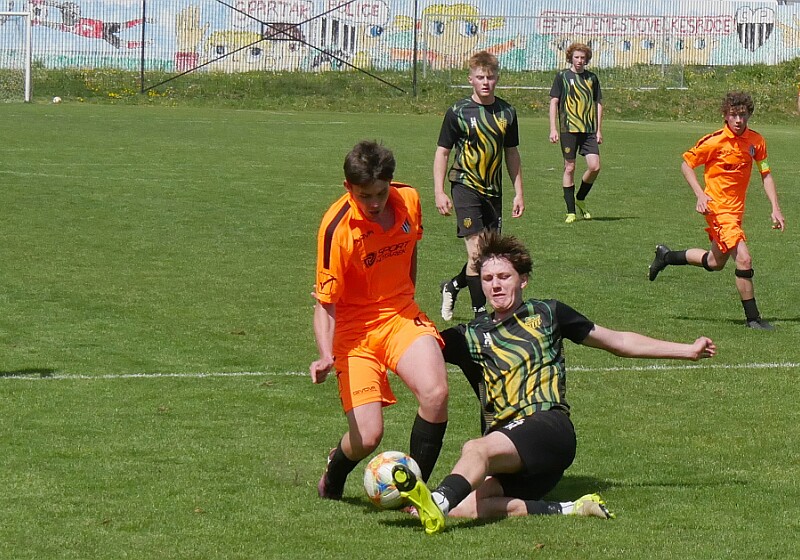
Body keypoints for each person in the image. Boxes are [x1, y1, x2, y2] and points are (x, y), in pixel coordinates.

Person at [390, 231, 716, 535]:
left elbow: (617, 341)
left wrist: (687, 350)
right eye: (488, 279)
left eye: (504, 277)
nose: (496, 286)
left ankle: (436, 501)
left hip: (548, 429)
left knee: (474, 450)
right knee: (466, 506)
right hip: (513, 458)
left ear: (523, 280)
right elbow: (411, 351)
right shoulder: (468, 336)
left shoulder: (548, 313)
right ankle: (571, 508)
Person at [311, 140, 449, 500]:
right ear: (348, 187)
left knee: (435, 394)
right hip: (354, 332)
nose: (374, 203)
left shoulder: (410, 199)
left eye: (381, 193)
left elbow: (411, 248)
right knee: (368, 437)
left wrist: (408, 296)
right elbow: (325, 302)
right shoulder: (336, 229)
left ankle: (415, 495)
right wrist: (325, 355)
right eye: (365, 196)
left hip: (400, 316)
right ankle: (334, 472)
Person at [648, 91, 785, 330]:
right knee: (744, 259)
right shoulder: (714, 141)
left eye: (743, 115)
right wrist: (700, 195)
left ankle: (666, 256)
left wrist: (775, 207)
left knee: (714, 262)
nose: (738, 120)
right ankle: (753, 319)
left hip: (736, 213)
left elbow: (766, 174)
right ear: (725, 115)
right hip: (718, 211)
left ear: (749, 115)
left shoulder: (756, 141)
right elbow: (686, 165)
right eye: (734, 115)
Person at [435, 50, 525, 322]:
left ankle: (453, 286)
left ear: (497, 78)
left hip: (493, 191)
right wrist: (439, 191)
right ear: (470, 79)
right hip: (464, 186)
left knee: (488, 256)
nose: (486, 82)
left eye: (490, 77)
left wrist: (519, 192)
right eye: (480, 77)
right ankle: (480, 315)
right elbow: (442, 152)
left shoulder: (507, 112)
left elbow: (512, 153)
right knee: (476, 252)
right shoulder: (458, 112)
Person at [549, 42, 603, 224]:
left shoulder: (592, 78)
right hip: (568, 129)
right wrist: (553, 128)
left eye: (582, 58)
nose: (579, 60)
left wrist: (598, 129)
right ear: (571, 58)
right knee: (569, 168)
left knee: (595, 166)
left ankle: (580, 198)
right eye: (576, 57)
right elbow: (554, 102)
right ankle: (570, 211)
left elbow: (598, 103)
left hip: (588, 130)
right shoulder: (562, 76)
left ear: (586, 60)